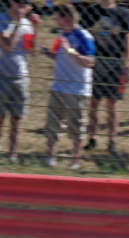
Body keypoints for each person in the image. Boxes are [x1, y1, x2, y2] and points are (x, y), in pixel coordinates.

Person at [41, 5, 94, 169]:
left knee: (76, 126)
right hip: (58, 86)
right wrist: (46, 53)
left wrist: (70, 50)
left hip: (77, 89)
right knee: (52, 124)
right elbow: (59, 57)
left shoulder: (84, 36)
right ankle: (51, 156)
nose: (56, 22)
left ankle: (75, 160)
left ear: (67, 18)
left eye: (58, 18)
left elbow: (89, 62)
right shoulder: (62, 35)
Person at [84, 0, 129, 155]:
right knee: (94, 102)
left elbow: (128, 39)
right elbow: (83, 34)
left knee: (112, 104)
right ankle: (92, 137)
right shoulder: (91, 11)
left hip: (115, 62)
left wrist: (126, 63)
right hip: (95, 61)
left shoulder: (122, 13)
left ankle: (112, 141)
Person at [0, 0, 37, 163]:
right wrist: (17, 22)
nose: (25, 6)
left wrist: (36, 28)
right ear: (12, 3)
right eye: (21, 3)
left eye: (27, 4)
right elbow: (8, 46)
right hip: (1, 74)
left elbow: (31, 50)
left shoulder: (27, 24)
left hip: (20, 76)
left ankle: (13, 154)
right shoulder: (2, 19)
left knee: (17, 118)